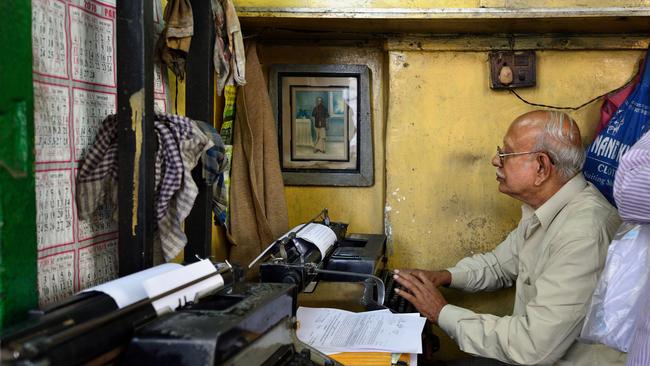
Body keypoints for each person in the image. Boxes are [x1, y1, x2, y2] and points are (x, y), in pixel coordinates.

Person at [394, 110, 625, 365]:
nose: (495, 160)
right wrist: (444, 276)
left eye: (506, 153)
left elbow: (533, 347)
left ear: (541, 167)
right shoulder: (549, 208)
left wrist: (441, 312)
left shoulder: (583, 234)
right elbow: (501, 264)